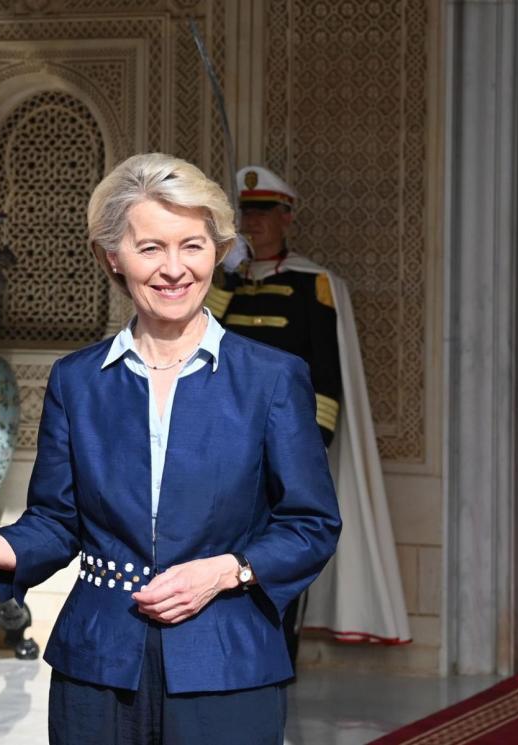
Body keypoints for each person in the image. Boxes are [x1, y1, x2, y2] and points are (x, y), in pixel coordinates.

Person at [0, 153, 341, 744]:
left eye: (193, 246)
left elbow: (311, 524)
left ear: (219, 251)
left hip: (228, 665)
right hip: (98, 666)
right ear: (112, 257)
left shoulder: (272, 379)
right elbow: (56, 522)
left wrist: (228, 570)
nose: (174, 268)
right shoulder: (79, 380)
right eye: (150, 247)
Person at [206, 166, 411, 659]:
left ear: (286, 217)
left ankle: (280, 647)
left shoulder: (312, 283)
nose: (251, 224)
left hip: (281, 438)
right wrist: (227, 276)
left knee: (277, 546)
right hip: (220, 437)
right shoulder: (224, 280)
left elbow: (325, 368)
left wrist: (313, 441)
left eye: (262, 213)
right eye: (245, 214)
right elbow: (195, 333)